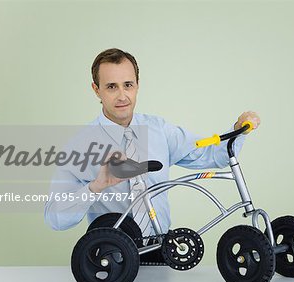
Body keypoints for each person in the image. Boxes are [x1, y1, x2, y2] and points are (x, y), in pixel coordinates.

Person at [44, 48, 260, 263]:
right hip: (113, 259)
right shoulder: (78, 146)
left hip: (164, 252)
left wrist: (239, 129)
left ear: (137, 85)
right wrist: (95, 187)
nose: (122, 96)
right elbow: (55, 218)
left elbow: (213, 156)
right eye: (111, 87)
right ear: (96, 90)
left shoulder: (159, 130)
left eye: (128, 85)